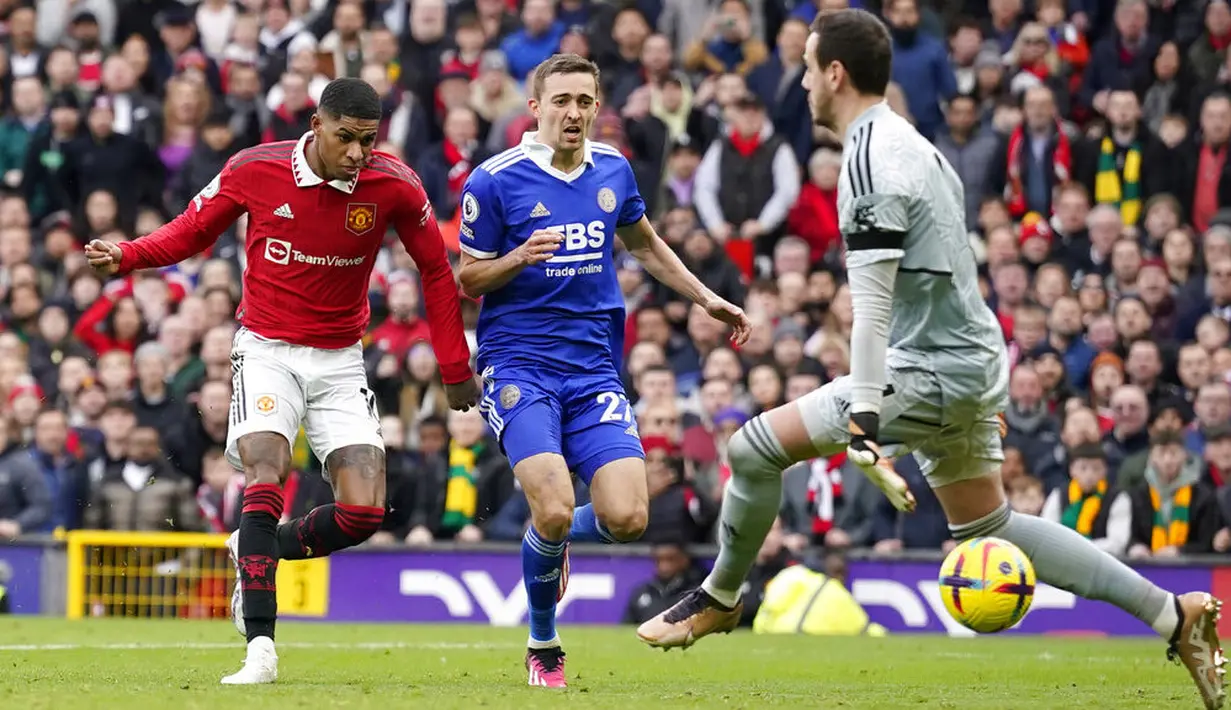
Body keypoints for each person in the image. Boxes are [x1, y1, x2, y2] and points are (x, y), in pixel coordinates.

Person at [634, 11, 1225, 710]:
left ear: (834, 73)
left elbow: (872, 303)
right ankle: (1172, 613)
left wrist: (861, 413)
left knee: (751, 448)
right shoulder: (915, 145)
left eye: (807, 66)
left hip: (928, 368)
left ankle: (720, 596)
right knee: (989, 528)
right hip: (970, 359)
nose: (799, 80)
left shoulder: (868, 156)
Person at [85, 77, 478, 686]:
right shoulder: (256, 169)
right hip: (267, 349)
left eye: (367, 141)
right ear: (315, 125)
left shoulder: (394, 184)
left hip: (342, 358)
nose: (356, 153)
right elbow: (191, 229)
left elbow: (434, 267)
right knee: (267, 468)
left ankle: (253, 549)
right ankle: (261, 649)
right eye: (346, 138)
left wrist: (454, 366)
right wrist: (129, 255)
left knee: (363, 512)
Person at [456, 53, 749, 689]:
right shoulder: (494, 180)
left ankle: (549, 544)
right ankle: (543, 643)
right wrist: (517, 257)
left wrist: (705, 298)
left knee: (627, 518)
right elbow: (466, 276)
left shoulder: (612, 167)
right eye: (561, 100)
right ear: (535, 107)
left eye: (584, 101)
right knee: (555, 506)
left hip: (593, 371)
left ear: (597, 107)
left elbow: (643, 242)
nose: (574, 113)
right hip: (519, 365)